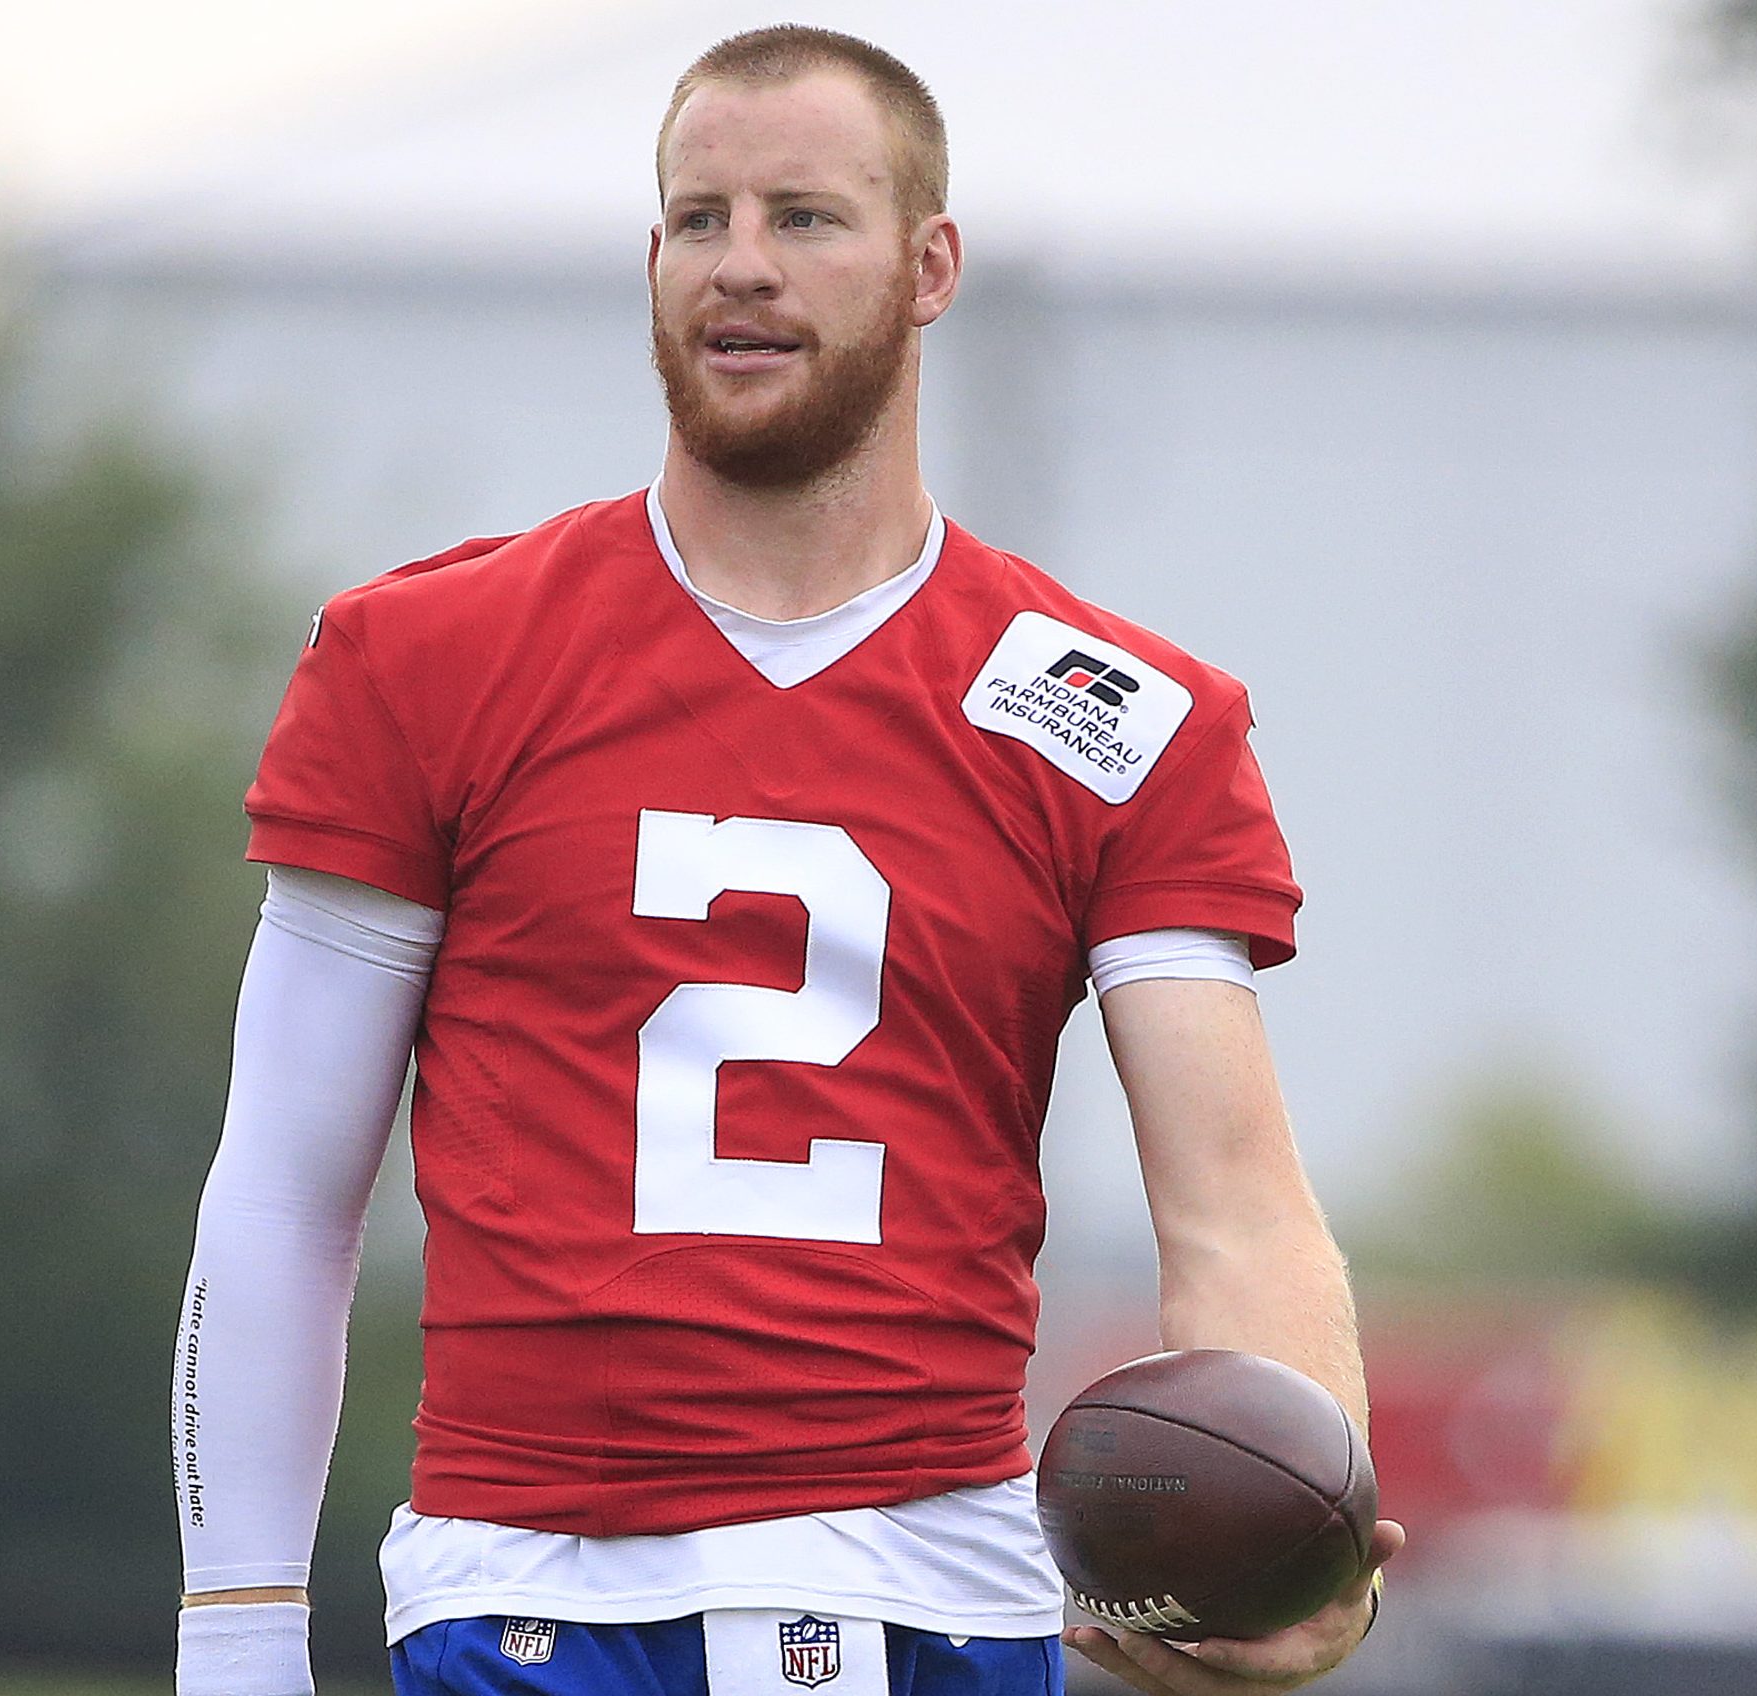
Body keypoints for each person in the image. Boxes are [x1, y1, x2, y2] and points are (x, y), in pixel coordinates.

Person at [171, 24, 1403, 1696]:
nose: (740, 268)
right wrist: (236, 1629)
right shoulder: (427, 658)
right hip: (532, 1594)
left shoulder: (1118, 714)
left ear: (929, 264)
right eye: (700, 219)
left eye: (806, 218)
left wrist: (1297, 1544)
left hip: (935, 1598)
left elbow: (1235, 1202)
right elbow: (285, 1187)